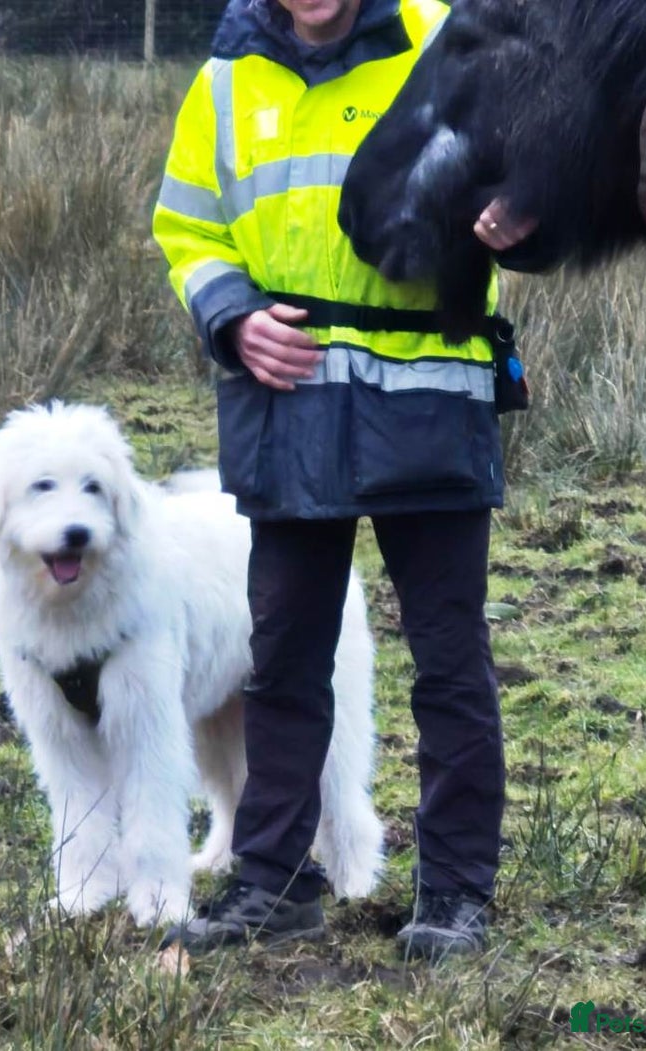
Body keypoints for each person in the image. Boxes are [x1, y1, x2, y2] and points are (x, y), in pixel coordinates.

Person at [152, 0, 526, 960]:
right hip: (291, 410)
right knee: (279, 663)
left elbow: (543, 153)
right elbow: (187, 228)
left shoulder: (447, 37)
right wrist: (231, 317)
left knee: (448, 662)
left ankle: (454, 898)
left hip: (428, 399)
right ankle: (274, 885)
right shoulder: (224, 82)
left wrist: (524, 211)